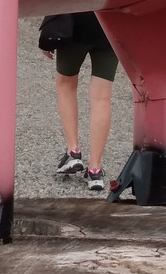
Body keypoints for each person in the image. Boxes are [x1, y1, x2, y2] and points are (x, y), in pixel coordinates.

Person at [42, 11, 118, 191]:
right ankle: (95, 170)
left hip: (75, 24)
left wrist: (48, 31)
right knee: (102, 98)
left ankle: (73, 152)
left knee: (66, 85)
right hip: (109, 25)